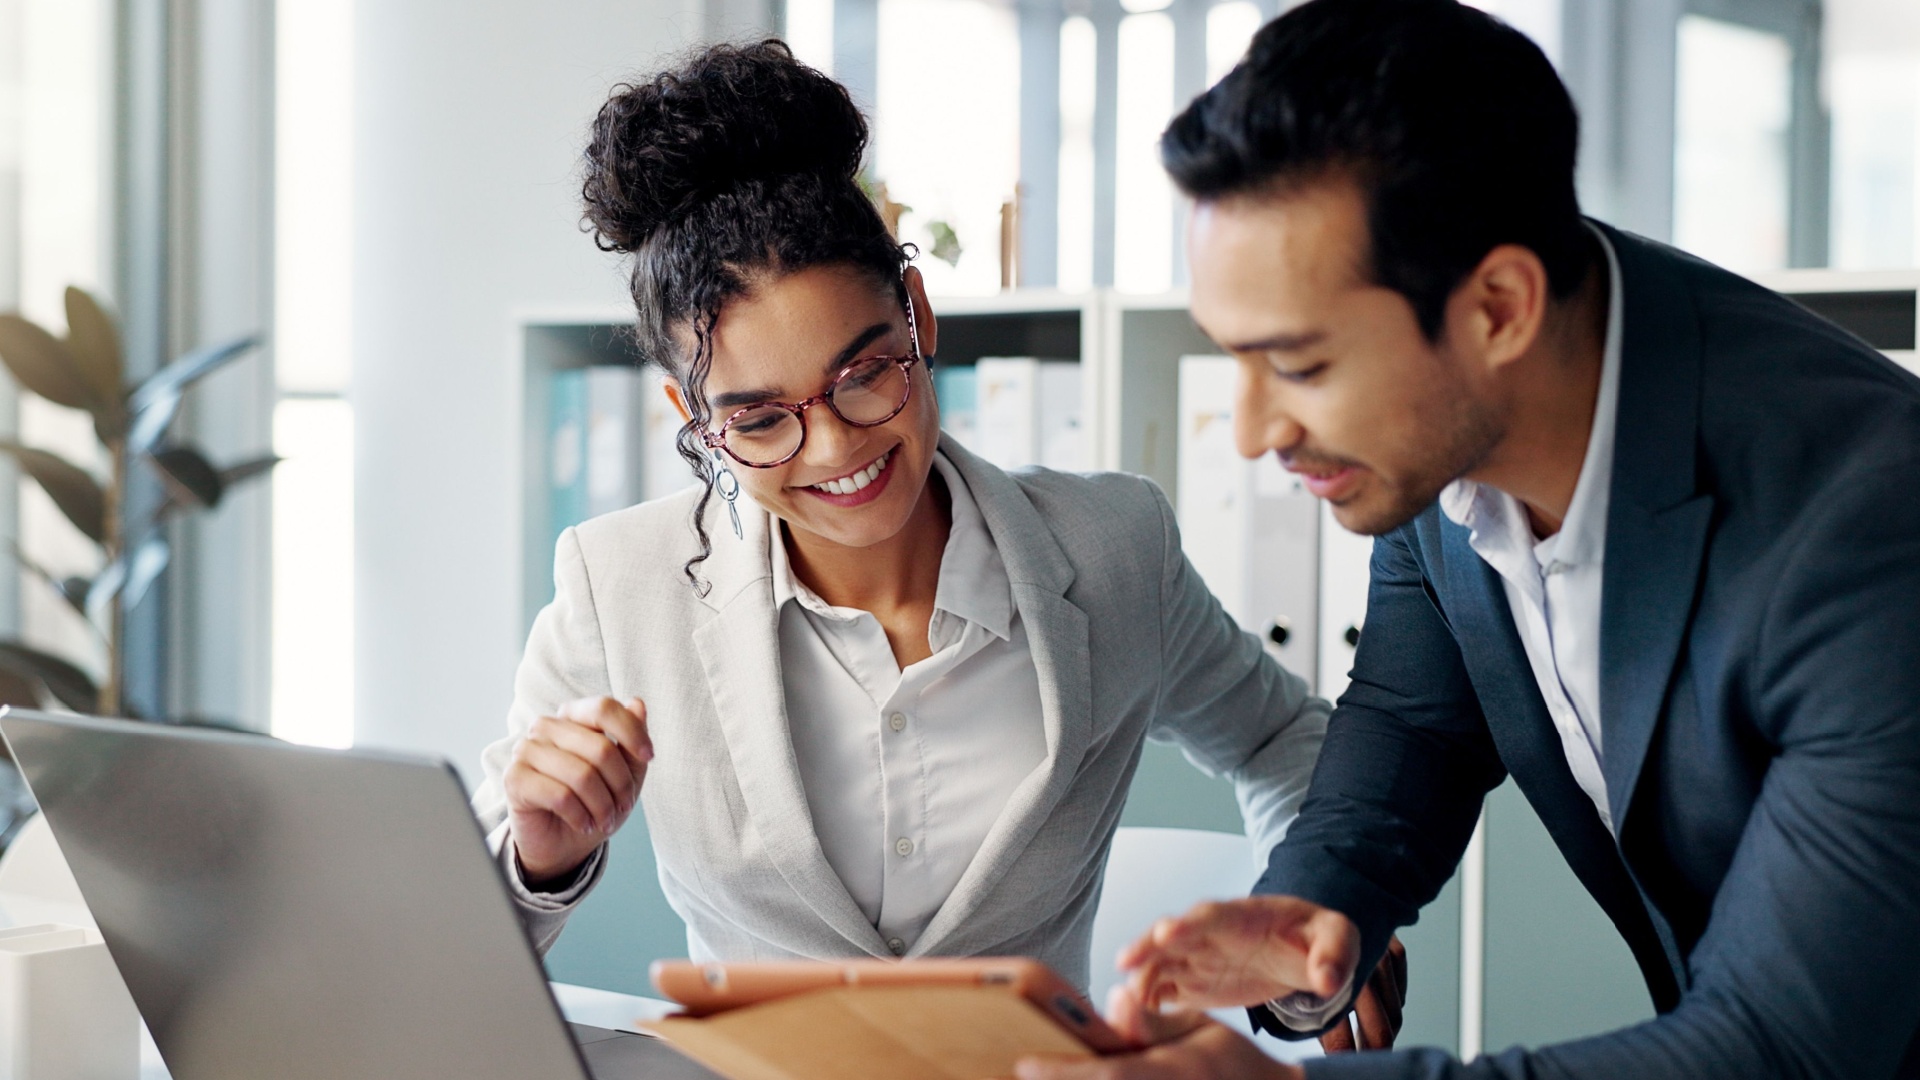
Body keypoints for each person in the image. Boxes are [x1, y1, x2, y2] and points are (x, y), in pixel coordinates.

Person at [1014, 0, 1920, 1077]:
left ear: (1498, 308)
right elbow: (1418, 721)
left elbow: (1781, 1045)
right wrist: (1313, 912)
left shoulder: (1874, 531)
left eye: (1298, 365)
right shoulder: (1449, 440)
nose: (1253, 432)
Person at [465, 40, 1407, 1049]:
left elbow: (1285, 741)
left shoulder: (1114, 546)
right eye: (759, 419)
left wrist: (1316, 930)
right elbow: (464, 944)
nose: (833, 448)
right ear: (692, 417)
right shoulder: (621, 584)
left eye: (865, 371)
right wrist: (541, 854)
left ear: (917, 315)